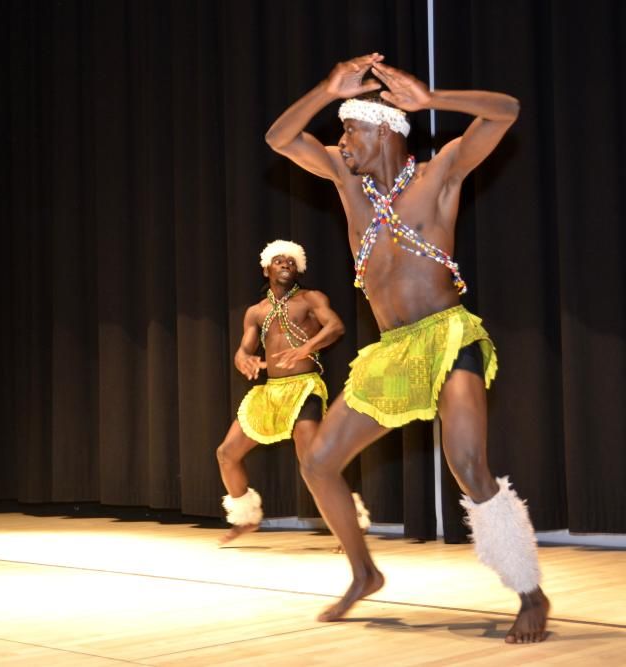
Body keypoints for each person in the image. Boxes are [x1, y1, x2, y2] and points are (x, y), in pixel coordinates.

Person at [264, 53, 549, 643]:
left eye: (350, 129)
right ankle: (364, 572)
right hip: (392, 350)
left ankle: (530, 593)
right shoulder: (349, 184)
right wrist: (326, 90)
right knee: (317, 461)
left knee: (469, 464)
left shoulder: (439, 175)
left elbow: (507, 112)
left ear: (385, 129)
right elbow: (279, 137)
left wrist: (432, 99)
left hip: (447, 336)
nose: (341, 143)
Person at [216, 240, 346, 544]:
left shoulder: (311, 299)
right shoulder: (256, 312)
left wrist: (306, 348)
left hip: (304, 388)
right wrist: (243, 359)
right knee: (226, 453)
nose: (285, 263)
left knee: (313, 463)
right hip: (271, 392)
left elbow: (336, 326)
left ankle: (345, 525)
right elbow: (243, 350)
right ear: (266, 269)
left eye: (291, 260)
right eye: (278, 260)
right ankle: (246, 517)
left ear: (298, 268)